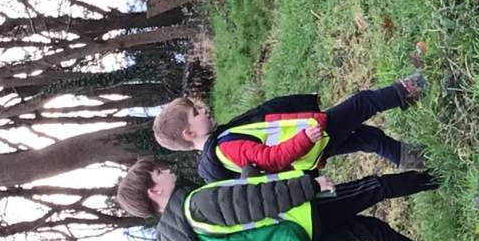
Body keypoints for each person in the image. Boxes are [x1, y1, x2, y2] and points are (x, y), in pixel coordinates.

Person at [116, 158, 457, 241]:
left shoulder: (186, 230)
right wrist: (309, 187)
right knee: (375, 187)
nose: (167, 169)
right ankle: (443, 176)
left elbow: (241, 216)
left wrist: (247, 176)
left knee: (371, 229)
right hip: (302, 213)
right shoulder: (196, 203)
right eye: (159, 172)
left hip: (295, 238)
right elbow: (260, 203)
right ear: (154, 191)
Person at [152, 75, 428, 181]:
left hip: (309, 146)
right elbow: (270, 159)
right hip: (310, 140)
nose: (203, 110)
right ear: (189, 133)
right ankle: (416, 87)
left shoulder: (220, 142)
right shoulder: (226, 148)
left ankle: (416, 158)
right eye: (195, 113)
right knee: (363, 102)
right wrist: (305, 139)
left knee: (366, 138)